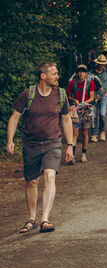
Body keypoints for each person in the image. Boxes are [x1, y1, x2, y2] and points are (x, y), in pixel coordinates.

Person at [6, 61, 74, 233]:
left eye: (57, 73)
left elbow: (66, 119)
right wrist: (10, 140)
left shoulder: (61, 94)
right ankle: (32, 218)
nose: (57, 76)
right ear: (43, 76)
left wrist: (70, 145)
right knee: (31, 182)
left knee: (50, 175)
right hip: (31, 144)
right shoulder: (28, 94)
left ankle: (45, 219)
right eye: (54, 74)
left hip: (52, 143)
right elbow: (15, 117)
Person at [67, 65, 97, 162]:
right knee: (75, 132)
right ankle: (72, 155)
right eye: (79, 72)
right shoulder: (73, 82)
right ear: (77, 73)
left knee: (85, 132)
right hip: (76, 109)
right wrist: (74, 100)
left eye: (83, 72)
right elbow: (68, 96)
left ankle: (84, 153)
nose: (81, 74)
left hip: (86, 109)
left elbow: (92, 97)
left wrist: (84, 102)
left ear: (86, 73)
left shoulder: (90, 82)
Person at [90, 54, 107, 142]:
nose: (102, 66)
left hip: (103, 96)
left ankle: (102, 131)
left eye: (103, 64)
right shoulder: (92, 72)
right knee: (93, 115)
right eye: (100, 64)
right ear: (97, 64)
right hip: (94, 96)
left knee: (102, 114)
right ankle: (94, 133)